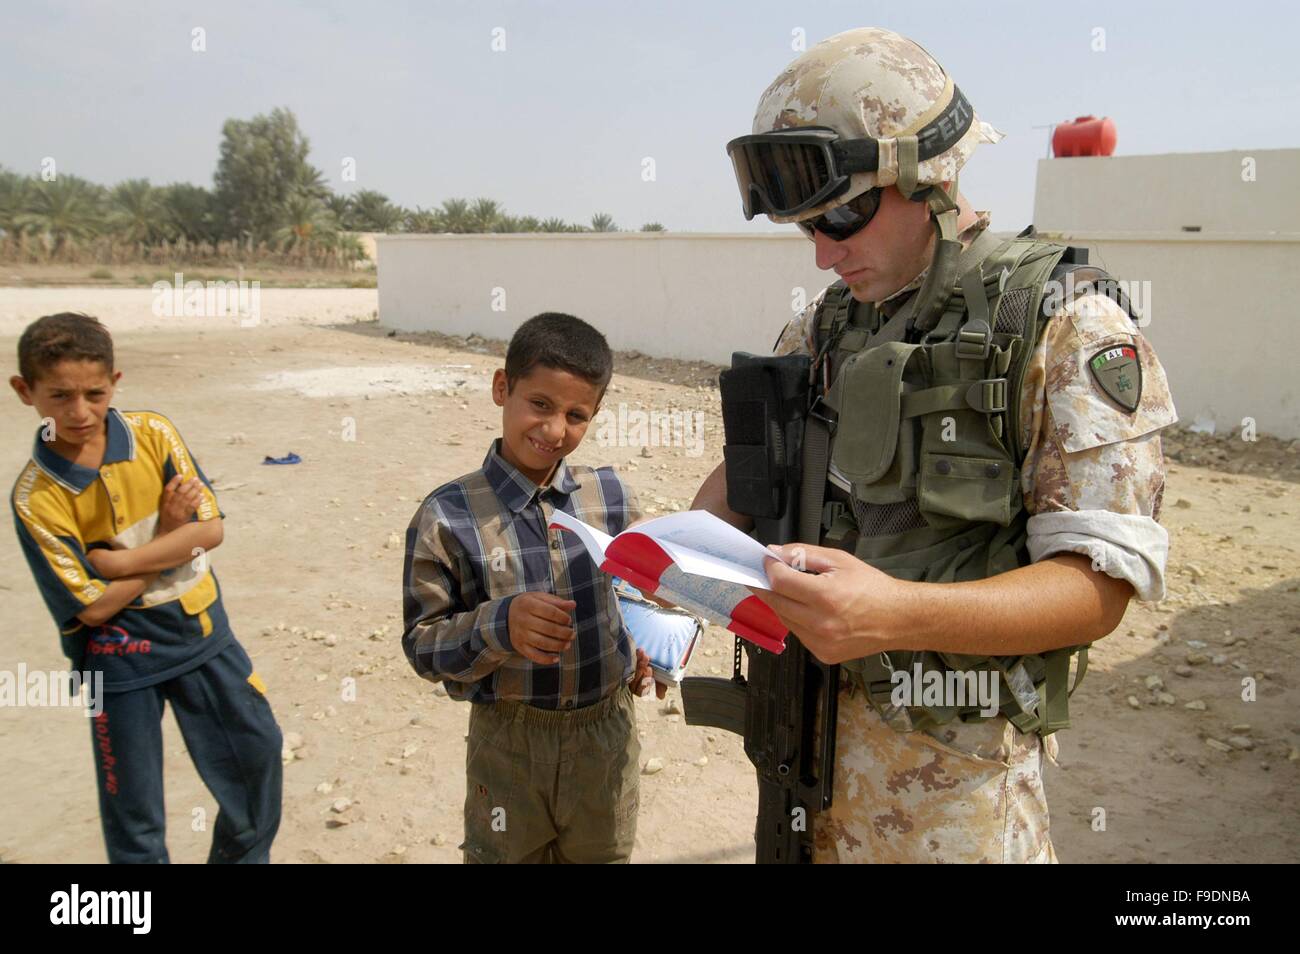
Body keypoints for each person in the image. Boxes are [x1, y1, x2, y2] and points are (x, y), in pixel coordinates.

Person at [693, 27, 1177, 862]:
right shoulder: (822, 325)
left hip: (956, 803)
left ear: (933, 173)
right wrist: (665, 559)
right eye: (806, 224)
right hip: (800, 770)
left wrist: (894, 614)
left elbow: (1099, 589)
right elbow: (743, 491)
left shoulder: (1064, 325)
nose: (823, 249)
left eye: (844, 213)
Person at [9, 312, 283, 863]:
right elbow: (92, 610)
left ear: (116, 380)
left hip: (203, 635)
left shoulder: (153, 434)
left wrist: (120, 562)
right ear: (25, 391)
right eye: (59, 395)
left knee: (257, 760)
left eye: (94, 392)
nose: (80, 411)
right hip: (117, 661)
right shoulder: (36, 498)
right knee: (133, 813)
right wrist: (166, 536)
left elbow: (210, 531)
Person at [402, 312, 660, 864]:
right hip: (509, 744)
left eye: (576, 415)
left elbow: (631, 592)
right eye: (539, 405)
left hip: (605, 737)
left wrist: (645, 648)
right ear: (503, 388)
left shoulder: (611, 496)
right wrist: (501, 624)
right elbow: (424, 646)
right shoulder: (448, 515)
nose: (554, 430)